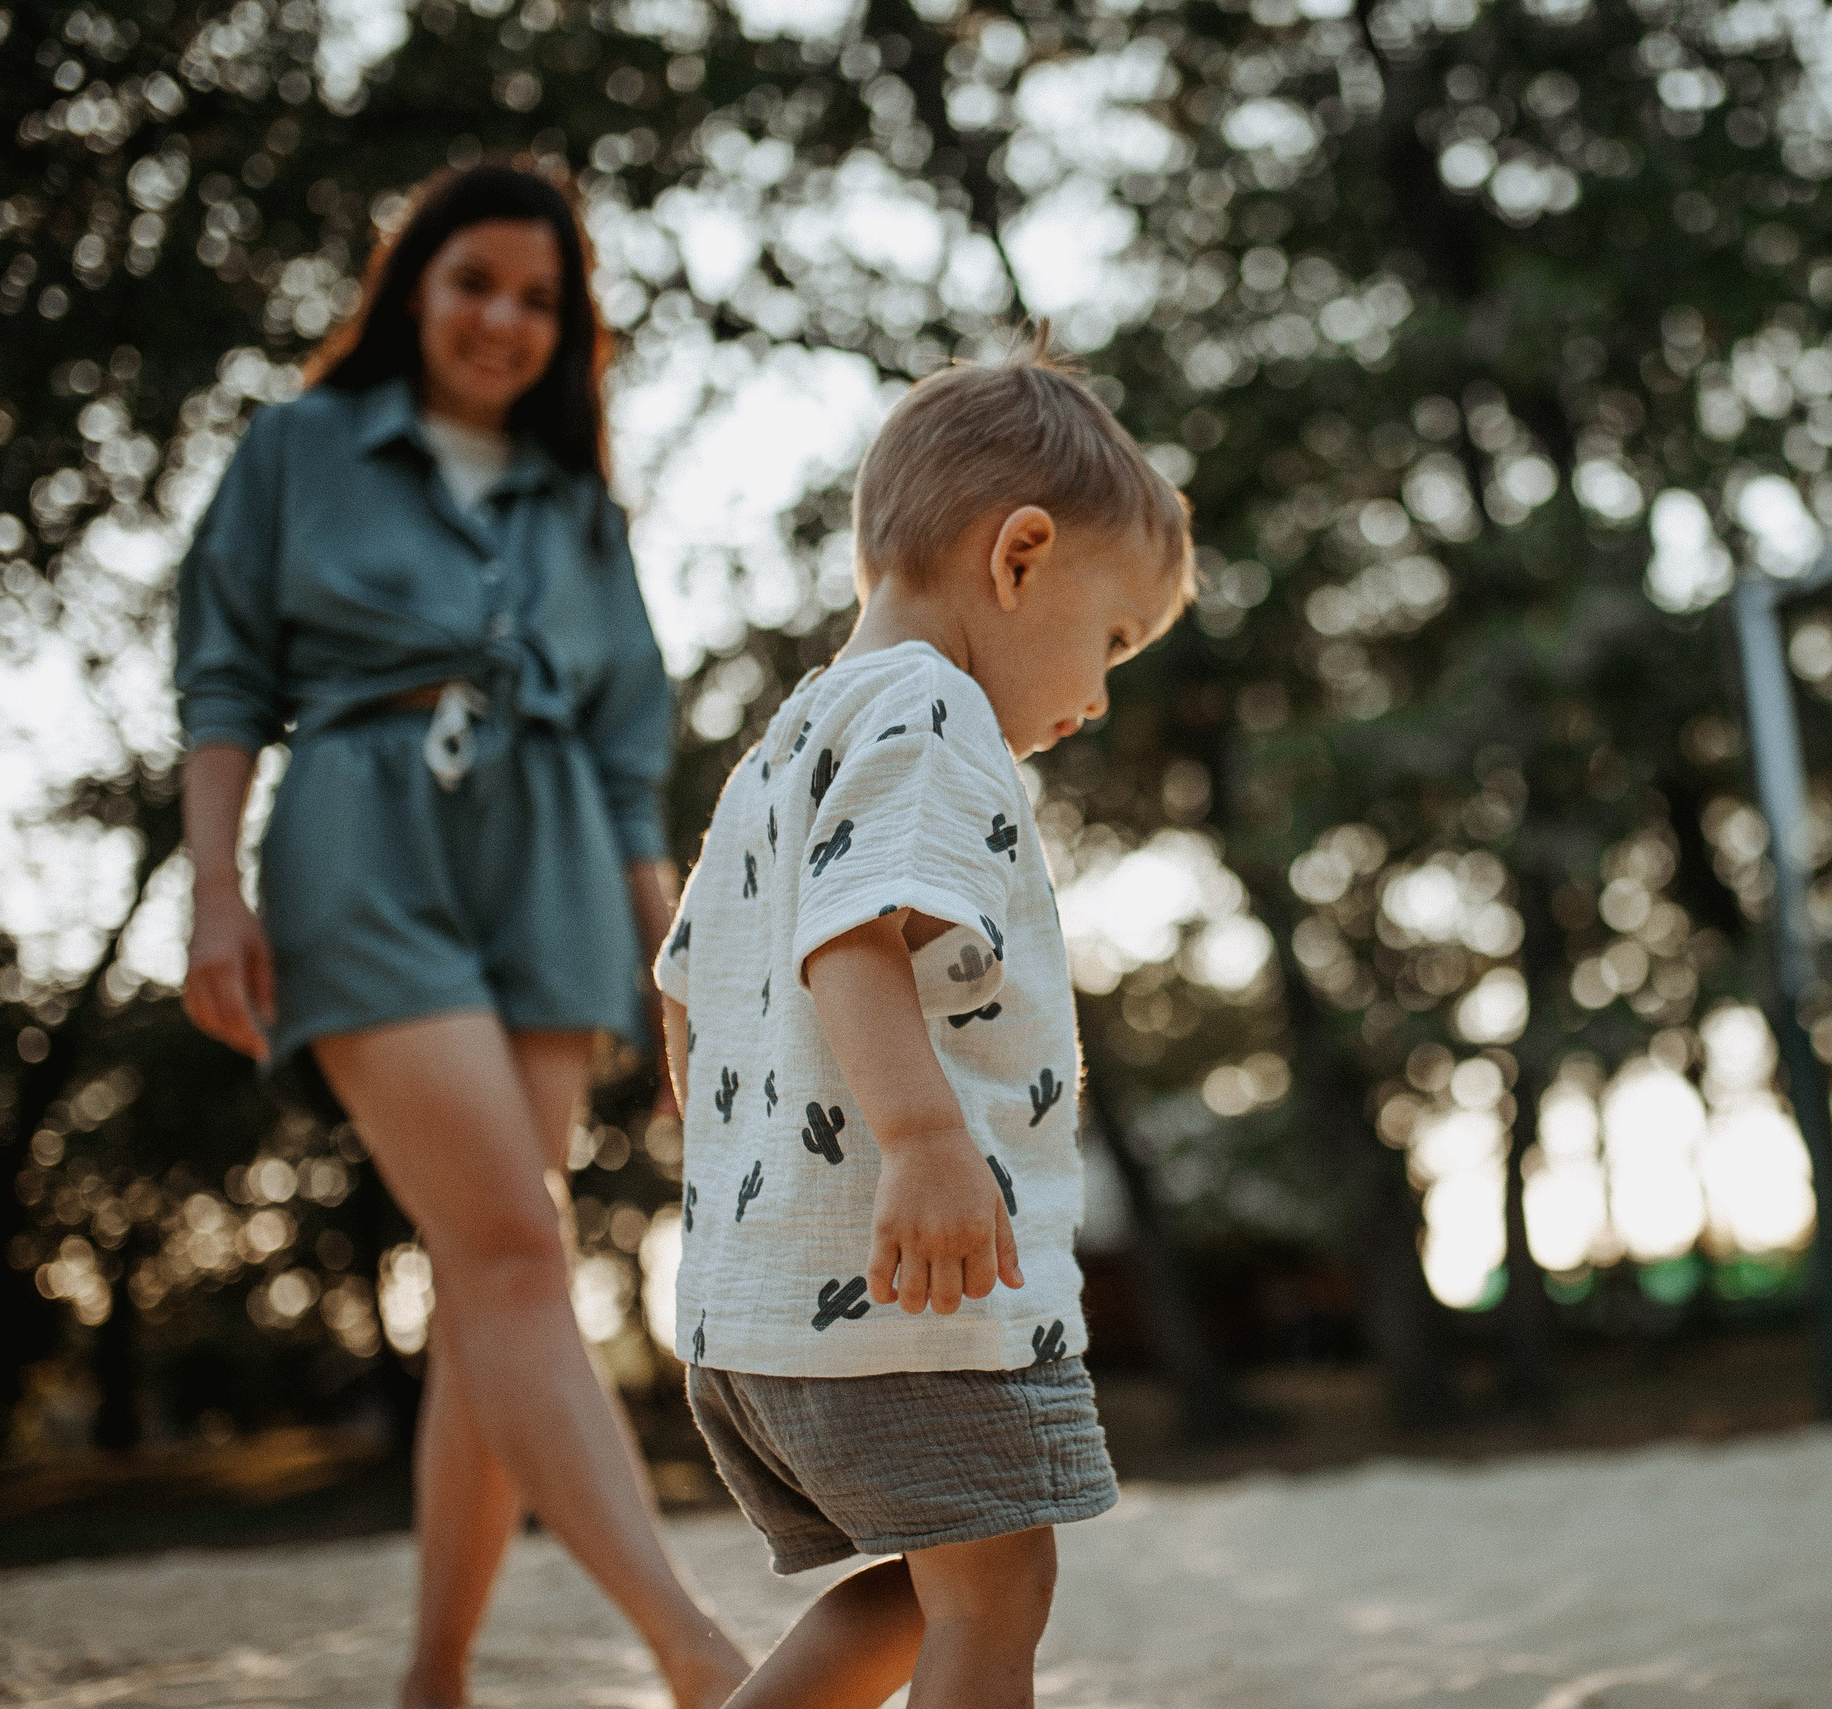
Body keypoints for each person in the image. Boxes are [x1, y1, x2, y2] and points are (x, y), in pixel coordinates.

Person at [176, 162, 749, 1709]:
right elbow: (227, 676)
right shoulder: (300, 448)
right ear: (413, 288)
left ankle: (433, 1678)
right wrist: (215, 887)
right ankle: (697, 1652)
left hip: (553, 853)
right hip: (361, 833)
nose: (503, 318)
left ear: (569, 330)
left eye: (537, 299)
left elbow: (627, 757)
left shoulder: (580, 507)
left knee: (494, 1277)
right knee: (513, 1249)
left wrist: (674, 962)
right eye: (473, 281)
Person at [655, 329, 1193, 1709]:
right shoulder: (932, 709)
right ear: (1020, 557)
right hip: (910, 1298)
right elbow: (850, 934)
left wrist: (744, 1197)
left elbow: (689, 992)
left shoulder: (783, 746)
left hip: (765, 1308)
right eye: (1112, 638)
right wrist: (921, 1138)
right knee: (995, 1592)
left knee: (944, 1583)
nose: (1099, 696)